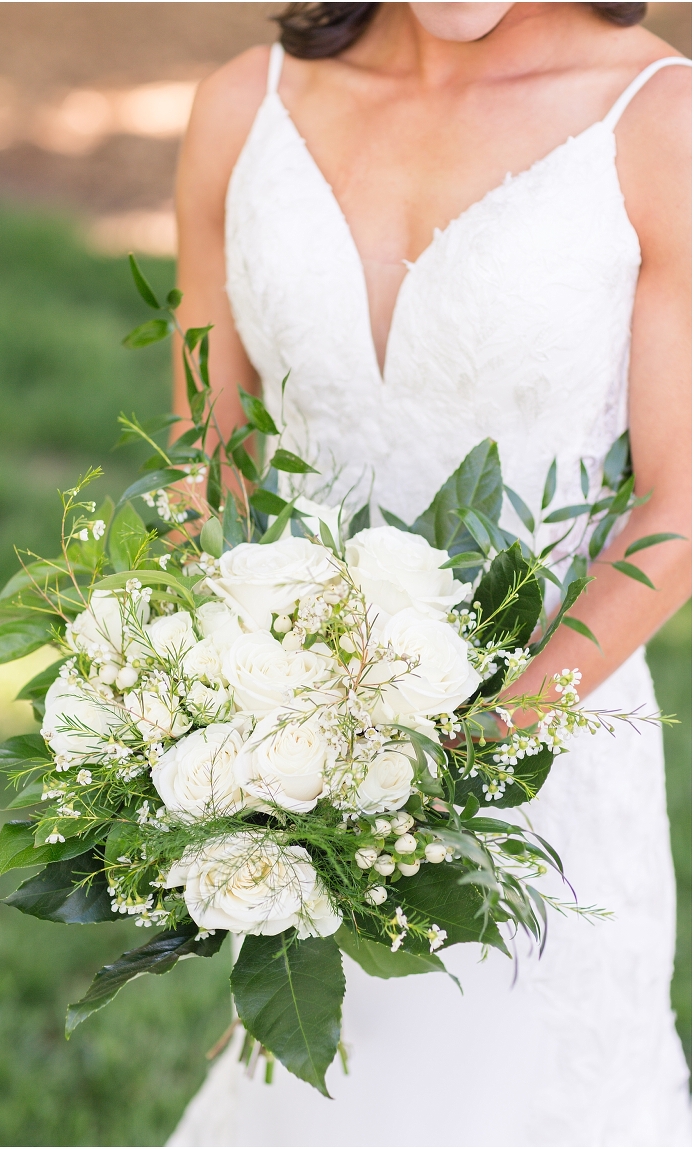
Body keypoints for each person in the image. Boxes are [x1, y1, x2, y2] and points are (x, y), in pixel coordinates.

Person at [169, 4, 691, 1145]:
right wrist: (207, 706)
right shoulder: (239, 111)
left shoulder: (660, 123)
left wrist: (475, 754)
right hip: (296, 753)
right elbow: (208, 467)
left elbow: (678, 508)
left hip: (545, 760)